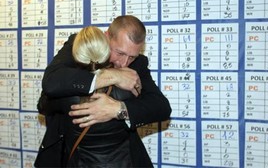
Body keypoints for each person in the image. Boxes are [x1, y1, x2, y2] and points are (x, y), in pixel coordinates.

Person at [41, 15, 172, 167]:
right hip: (73, 157)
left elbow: (161, 107)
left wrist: (118, 109)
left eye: (131, 57)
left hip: (125, 159)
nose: (124, 63)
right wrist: (112, 76)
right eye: (120, 53)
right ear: (107, 36)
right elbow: (51, 82)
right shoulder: (81, 44)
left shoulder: (138, 64)